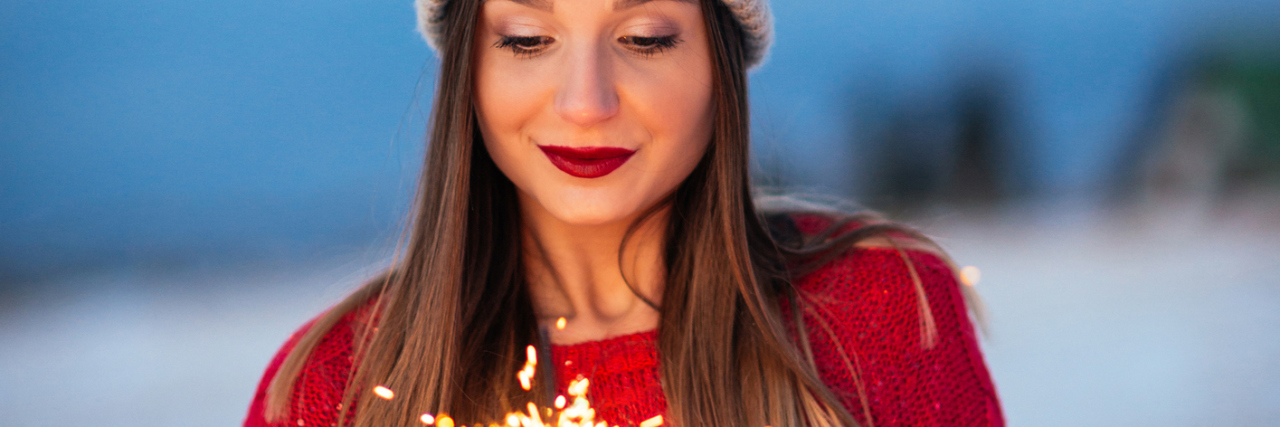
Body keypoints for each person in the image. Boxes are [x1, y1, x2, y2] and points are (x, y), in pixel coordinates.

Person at [243, 0, 1004, 426]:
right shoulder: (334, 391)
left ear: (719, 63)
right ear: (469, 66)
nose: (586, 102)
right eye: (528, 40)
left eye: (644, 39)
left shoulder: (881, 314)